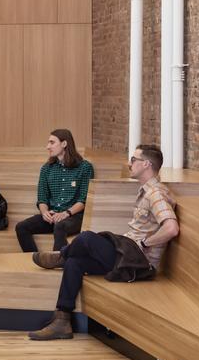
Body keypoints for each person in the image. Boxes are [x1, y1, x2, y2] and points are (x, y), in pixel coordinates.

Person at [27, 144, 179, 340]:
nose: (129, 163)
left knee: (87, 238)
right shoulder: (146, 191)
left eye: (133, 160)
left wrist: (145, 244)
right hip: (126, 255)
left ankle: (60, 256)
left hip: (137, 262)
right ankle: (62, 321)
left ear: (146, 164)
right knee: (75, 263)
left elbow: (171, 228)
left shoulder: (156, 194)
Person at [14, 129, 94, 253]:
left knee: (60, 226)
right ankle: (34, 259)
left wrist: (66, 213)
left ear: (64, 144)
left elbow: (84, 200)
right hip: (52, 215)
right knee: (21, 227)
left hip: (74, 216)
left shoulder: (84, 167)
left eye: (52, 142)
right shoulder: (47, 169)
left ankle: (59, 260)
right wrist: (45, 212)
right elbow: (42, 198)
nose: (48, 147)